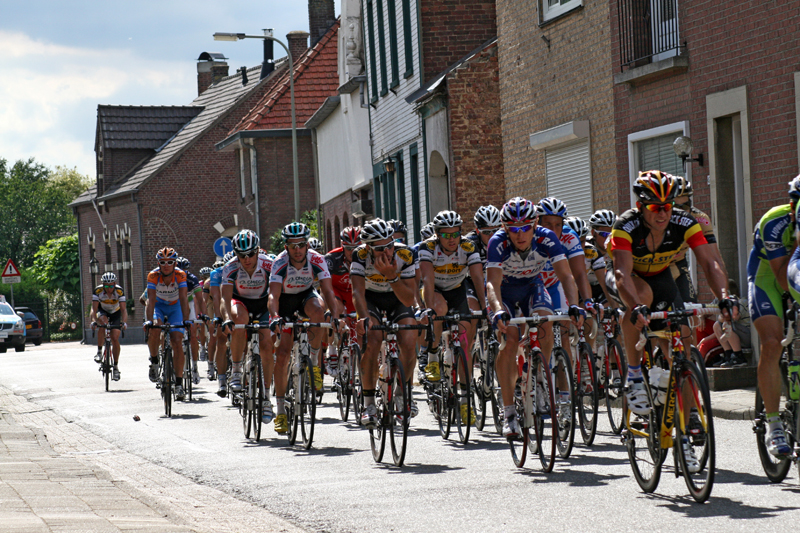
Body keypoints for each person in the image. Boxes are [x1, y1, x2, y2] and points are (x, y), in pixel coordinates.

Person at [607, 171, 733, 420]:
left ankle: (690, 419)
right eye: (655, 207)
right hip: (628, 279)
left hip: (662, 277)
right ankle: (633, 376)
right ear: (640, 206)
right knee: (640, 296)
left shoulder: (685, 222)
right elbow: (621, 272)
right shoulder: (626, 225)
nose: (662, 213)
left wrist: (724, 296)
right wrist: (635, 306)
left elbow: (710, 263)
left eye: (667, 206)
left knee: (681, 344)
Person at [485, 197, 584, 438]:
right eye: (514, 229)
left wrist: (574, 305)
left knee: (545, 323)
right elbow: (492, 283)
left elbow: (566, 276)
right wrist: (497, 309)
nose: (520, 235)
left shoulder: (547, 238)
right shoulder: (497, 243)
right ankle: (508, 412)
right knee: (509, 341)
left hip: (532, 286)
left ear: (535, 224)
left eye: (526, 228)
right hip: (505, 293)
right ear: (505, 229)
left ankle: (541, 373)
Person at [268, 222, 339, 434]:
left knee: (319, 311)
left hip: (307, 296)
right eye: (292, 245)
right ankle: (280, 411)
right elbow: (273, 294)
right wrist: (274, 316)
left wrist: (334, 316)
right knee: (282, 356)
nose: (297, 249)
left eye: (301, 245)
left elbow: (327, 291)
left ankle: (315, 364)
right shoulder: (280, 262)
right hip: (286, 302)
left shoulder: (316, 259)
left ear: (306, 245)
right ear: (286, 246)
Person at [418, 210, 487, 425]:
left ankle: (466, 403)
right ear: (438, 235)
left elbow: (476, 278)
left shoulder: (468, 246)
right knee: (438, 309)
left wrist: (486, 309)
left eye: (455, 234)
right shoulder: (428, 247)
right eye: (446, 235)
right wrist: (428, 308)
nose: (451, 239)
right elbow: (428, 279)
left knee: (465, 347)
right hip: (434, 290)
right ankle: (432, 357)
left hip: (457, 289)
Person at [350, 218, 418, 428]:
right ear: (368, 248)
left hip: (397, 297)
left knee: (409, 337)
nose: (387, 252)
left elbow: (408, 299)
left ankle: (401, 392)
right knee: (373, 339)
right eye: (379, 249)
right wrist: (363, 318)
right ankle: (368, 404)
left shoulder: (405, 254)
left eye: (389, 245)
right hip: (371, 298)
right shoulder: (359, 256)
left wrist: (391, 276)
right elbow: (358, 293)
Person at [751, 175, 800, 456]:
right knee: (772, 342)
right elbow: (784, 281)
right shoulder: (775, 221)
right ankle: (773, 424)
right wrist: (797, 241)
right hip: (767, 277)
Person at [219, 230, 275, 422]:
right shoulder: (230, 267)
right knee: (239, 321)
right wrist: (227, 318)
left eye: (251, 254)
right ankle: (235, 370)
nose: (247, 259)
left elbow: (278, 293)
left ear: (258, 251)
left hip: (263, 304)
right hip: (240, 302)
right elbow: (225, 299)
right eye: (241, 255)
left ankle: (267, 397)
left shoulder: (269, 264)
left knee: (267, 344)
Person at [144, 247, 192, 401]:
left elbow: (184, 299)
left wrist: (186, 320)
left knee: (177, 341)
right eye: (162, 262)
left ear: (174, 263)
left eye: (170, 262)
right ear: (158, 263)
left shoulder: (180, 275)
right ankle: (154, 360)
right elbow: (150, 301)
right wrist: (149, 321)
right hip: (158, 305)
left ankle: (178, 384)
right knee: (155, 328)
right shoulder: (153, 275)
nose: (166, 265)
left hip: (174, 307)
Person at [324, 226, 361, 377]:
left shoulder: (366, 257)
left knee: (355, 326)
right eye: (348, 248)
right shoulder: (331, 259)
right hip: (337, 291)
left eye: (356, 248)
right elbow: (323, 285)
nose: (352, 252)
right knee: (337, 311)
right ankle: (332, 350)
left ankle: (351, 357)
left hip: (354, 292)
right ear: (342, 246)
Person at [464, 205, 502, 313]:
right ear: (477, 230)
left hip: (496, 282)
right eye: (486, 232)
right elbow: (476, 276)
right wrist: (483, 304)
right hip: (471, 282)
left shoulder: (506, 240)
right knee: (473, 312)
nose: (491, 236)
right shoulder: (469, 243)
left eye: (495, 230)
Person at [90, 272, 128, 381]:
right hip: (103, 311)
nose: (109, 288)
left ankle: (115, 367)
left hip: (116, 312)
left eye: (111, 286)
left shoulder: (119, 291)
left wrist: (124, 322)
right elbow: (94, 309)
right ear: (103, 285)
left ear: (115, 284)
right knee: (103, 324)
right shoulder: (98, 291)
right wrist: (93, 321)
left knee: (115, 338)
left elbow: (124, 310)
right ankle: (99, 351)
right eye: (106, 286)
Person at [177, 257, 207, 385]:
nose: (183, 272)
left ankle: (194, 367)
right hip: (175, 305)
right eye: (180, 269)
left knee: (193, 334)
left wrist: (204, 315)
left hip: (188, 304)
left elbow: (200, 299)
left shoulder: (192, 279)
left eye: (185, 270)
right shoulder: (172, 277)